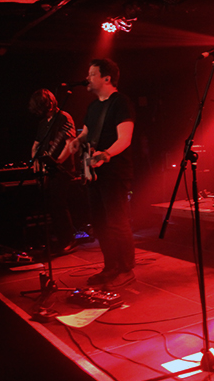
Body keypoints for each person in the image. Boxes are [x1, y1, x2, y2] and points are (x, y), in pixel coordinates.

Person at [69, 58, 136, 289]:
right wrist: (77, 141)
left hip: (115, 173)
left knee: (117, 222)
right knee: (99, 223)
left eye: (92, 74)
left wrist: (106, 154)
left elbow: (125, 139)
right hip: (94, 173)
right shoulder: (93, 107)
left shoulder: (121, 103)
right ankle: (111, 267)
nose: (87, 78)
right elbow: (87, 133)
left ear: (106, 78)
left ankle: (126, 270)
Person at [29, 88, 78, 255]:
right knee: (51, 206)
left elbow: (70, 143)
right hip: (47, 170)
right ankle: (59, 239)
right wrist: (35, 161)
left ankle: (69, 240)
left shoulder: (64, 117)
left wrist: (58, 162)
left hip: (61, 169)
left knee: (59, 204)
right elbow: (36, 145)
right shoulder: (43, 124)